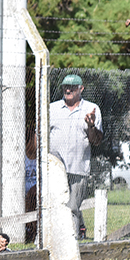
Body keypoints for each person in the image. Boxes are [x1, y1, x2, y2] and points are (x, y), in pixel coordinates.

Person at [49, 74, 103, 240]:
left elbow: (97, 141)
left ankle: (71, 242)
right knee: (54, 207)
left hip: (78, 169)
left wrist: (91, 126)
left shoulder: (91, 109)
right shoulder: (51, 108)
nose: (68, 89)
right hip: (55, 171)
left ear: (81, 89)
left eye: (72, 87)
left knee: (72, 207)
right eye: (65, 86)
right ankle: (54, 239)